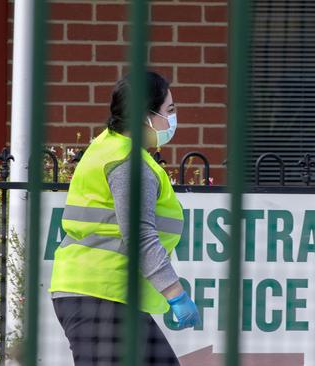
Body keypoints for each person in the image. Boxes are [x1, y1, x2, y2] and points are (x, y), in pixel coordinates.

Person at [49, 71, 200, 366]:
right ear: (146, 117)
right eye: (169, 110)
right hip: (98, 298)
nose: (173, 118)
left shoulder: (111, 145)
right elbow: (140, 235)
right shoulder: (129, 164)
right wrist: (176, 295)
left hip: (107, 298)